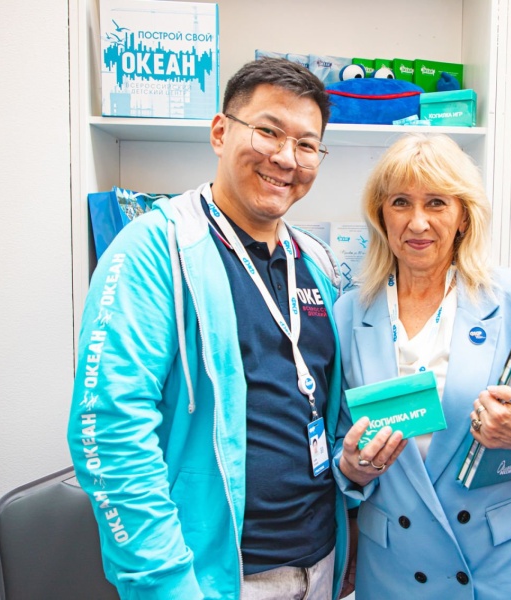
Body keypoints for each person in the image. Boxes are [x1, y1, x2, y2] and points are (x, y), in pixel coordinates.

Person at [67, 57, 353, 600]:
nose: (286, 158)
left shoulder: (316, 262)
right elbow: (108, 428)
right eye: (268, 131)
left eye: (307, 144)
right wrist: (165, 584)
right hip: (214, 577)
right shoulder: (155, 250)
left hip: (320, 563)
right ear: (221, 132)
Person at [331, 134, 511, 598]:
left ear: (463, 215)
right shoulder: (349, 312)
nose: (418, 222)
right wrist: (353, 468)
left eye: (436, 202)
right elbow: (338, 442)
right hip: (395, 568)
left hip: (497, 567)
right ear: (381, 214)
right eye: (401, 202)